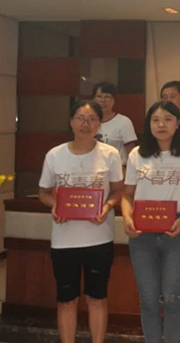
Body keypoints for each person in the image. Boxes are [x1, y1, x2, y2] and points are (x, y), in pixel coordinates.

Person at [38, 100, 123, 343]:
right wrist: (55, 206)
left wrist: (106, 206)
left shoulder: (110, 154)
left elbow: (118, 192)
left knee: (97, 298)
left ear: (99, 124)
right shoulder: (55, 155)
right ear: (71, 122)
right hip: (64, 239)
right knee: (67, 300)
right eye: (80, 118)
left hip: (99, 238)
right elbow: (44, 192)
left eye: (91, 119)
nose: (85, 124)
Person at [121, 100, 180, 343]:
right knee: (148, 298)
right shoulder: (137, 154)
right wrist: (127, 217)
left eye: (168, 119)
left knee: (172, 297)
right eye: (156, 120)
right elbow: (127, 195)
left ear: (178, 124)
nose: (161, 125)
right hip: (142, 232)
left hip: (177, 229)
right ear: (149, 124)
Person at [92, 81, 137, 167]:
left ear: (114, 100)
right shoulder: (88, 121)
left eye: (107, 97)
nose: (103, 100)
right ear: (93, 99)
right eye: (99, 96)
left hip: (117, 170)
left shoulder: (124, 122)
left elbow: (131, 153)